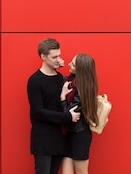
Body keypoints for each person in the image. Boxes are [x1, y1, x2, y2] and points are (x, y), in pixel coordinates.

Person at [28, 38, 81, 174]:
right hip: (43, 139)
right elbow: (38, 112)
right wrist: (67, 117)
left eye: (59, 55)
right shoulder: (35, 81)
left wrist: (72, 73)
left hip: (59, 138)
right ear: (43, 57)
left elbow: (76, 85)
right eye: (54, 57)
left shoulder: (60, 78)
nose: (58, 59)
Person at [60, 53, 99, 174]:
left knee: (82, 172)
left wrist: (62, 97)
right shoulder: (71, 81)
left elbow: (70, 115)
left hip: (79, 135)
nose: (69, 64)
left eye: (73, 64)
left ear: (80, 70)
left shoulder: (82, 90)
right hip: (68, 134)